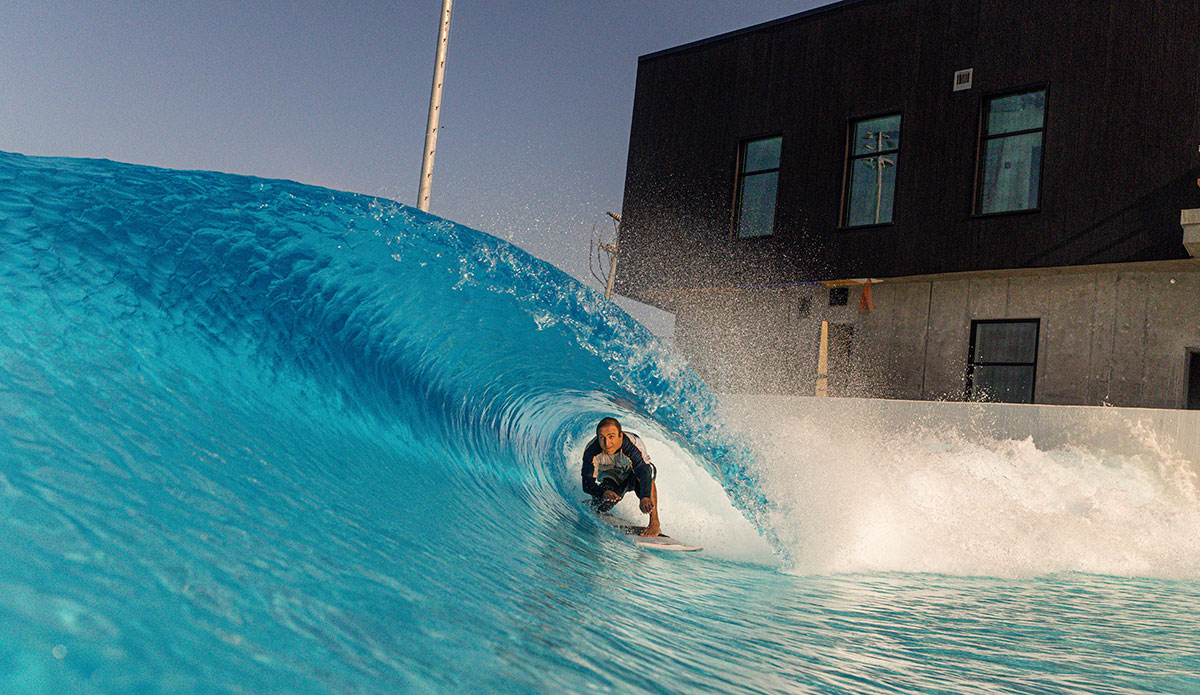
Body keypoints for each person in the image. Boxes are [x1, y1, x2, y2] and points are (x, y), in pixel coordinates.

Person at [581, 416, 661, 537]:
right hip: (613, 475)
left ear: (620, 436)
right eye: (602, 438)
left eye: (611, 437)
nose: (607, 443)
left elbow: (644, 472)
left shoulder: (632, 445)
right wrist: (604, 492)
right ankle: (591, 503)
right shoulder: (591, 451)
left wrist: (644, 496)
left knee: (646, 480)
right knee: (600, 506)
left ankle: (654, 523)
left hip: (636, 474)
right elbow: (587, 484)